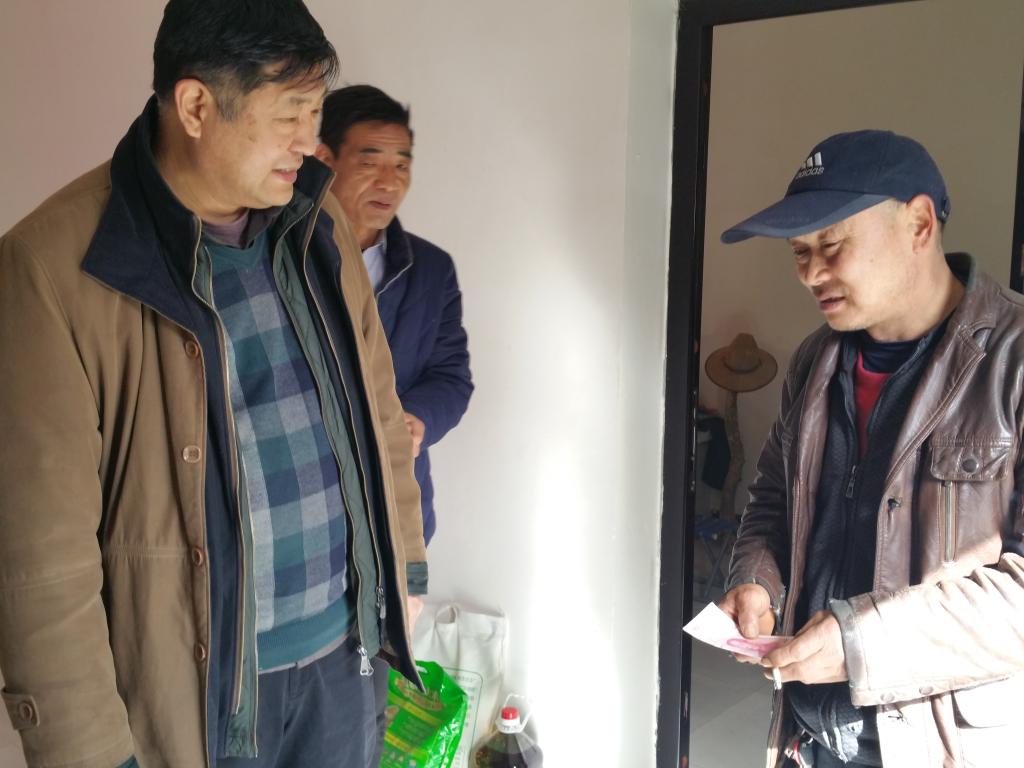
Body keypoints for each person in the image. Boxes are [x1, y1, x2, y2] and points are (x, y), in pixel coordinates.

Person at [0, 2, 427, 767]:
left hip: (345, 666)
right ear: (197, 106)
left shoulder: (317, 223)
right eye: (289, 114)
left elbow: (381, 417)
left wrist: (408, 574)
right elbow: (40, 557)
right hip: (197, 701)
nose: (309, 141)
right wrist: (88, 752)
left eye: (316, 112)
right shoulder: (52, 268)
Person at [716, 129, 1024, 767]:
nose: (811, 274)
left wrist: (862, 642)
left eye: (831, 245)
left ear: (918, 224)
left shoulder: (1013, 363)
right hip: (807, 737)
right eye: (800, 252)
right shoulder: (814, 361)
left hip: (943, 746)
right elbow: (773, 498)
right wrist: (754, 580)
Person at [315, 85, 473, 547]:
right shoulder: (279, 257)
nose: (390, 182)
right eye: (370, 163)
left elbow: (451, 376)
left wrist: (418, 419)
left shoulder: (431, 269)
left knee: (403, 594)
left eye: (402, 165)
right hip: (306, 509)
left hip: (398, 515)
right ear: (324, 160)